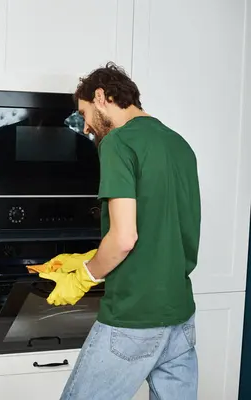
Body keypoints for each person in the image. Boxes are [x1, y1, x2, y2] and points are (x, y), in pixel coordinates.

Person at [45, 62, 201, 400]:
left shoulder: (118, 142)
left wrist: (84, 275)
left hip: (134, 315)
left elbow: (125, 237)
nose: (85, 127)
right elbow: (163, 226)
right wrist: (95, 254)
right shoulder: (179, 144)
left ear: (101, 97)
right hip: (179, 314)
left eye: (84, 113)